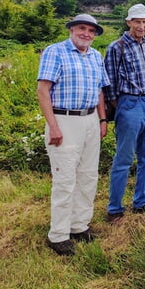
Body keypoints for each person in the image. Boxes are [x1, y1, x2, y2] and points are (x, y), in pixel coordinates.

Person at [37, 14, 110, 255]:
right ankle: (58, 234)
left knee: (88, 176)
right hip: (64, 120)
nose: (86, 34)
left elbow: (100, 90)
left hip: (89, 119)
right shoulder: (55, 52)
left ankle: (80, 225)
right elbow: (43, 91)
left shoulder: (96, 56)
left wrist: (102, 119)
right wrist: (54, 126)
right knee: (65, 178)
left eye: (91, 31)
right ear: (72, 29)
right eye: (82, 28)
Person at [104, 4, 145, 222]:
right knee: (124, 158)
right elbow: (109, 85)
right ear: (128, 22)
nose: (142, 26)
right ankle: (115, 208)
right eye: (137, 21)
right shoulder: (116, 47)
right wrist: (124, 107)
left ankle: (140, 202)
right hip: (130, 104)